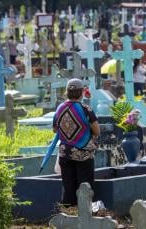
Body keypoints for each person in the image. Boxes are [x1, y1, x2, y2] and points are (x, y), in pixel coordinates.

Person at [53, 78, 100, 206]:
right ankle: (84, 214)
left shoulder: (59, 109)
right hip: (83, 154)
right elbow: (97, 131)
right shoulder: (86, 109)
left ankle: (68, 214)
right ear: (81, 92)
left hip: (65, 154)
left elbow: (55, 129)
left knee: (68, 187)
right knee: (84, 187)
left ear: (67, 92)